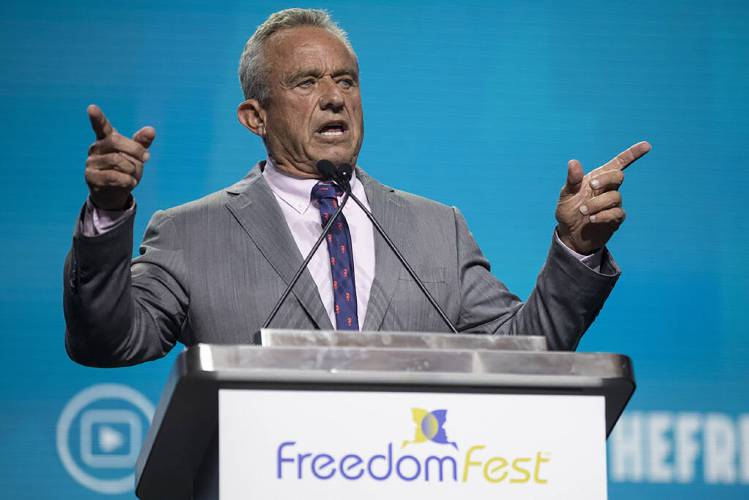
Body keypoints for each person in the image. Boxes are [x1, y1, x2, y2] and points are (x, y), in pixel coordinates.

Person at [63, 8, 650, 367]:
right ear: (254, 116)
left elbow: (529, 353)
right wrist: (109, 214)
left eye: (346, 80)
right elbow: (107, 341)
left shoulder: (436, 229)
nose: (335, 97)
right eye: (306, 82)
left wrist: (576, 249)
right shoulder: (192, 233)